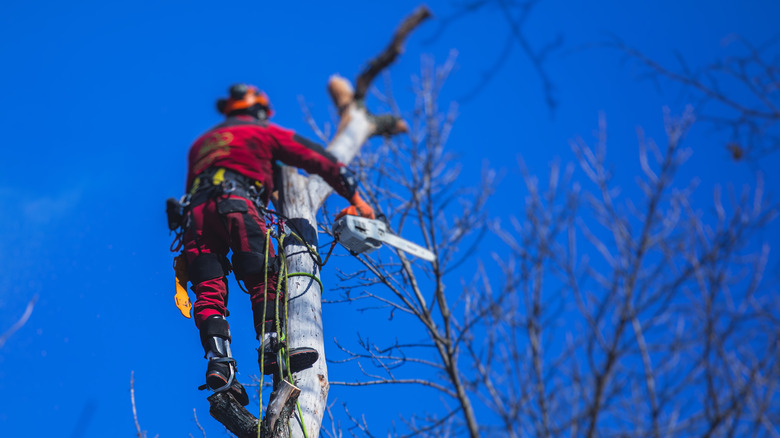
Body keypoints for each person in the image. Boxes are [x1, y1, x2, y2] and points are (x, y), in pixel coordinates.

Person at [178, 83, 375, 405]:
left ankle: (219, 364)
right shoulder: (264, 132)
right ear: (258, 111)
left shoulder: (203, 142)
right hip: (236, 203)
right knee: (264, 275)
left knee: (209, 291)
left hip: (195, 218)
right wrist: (357, 200)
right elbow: (320, 160)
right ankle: (272, 347)